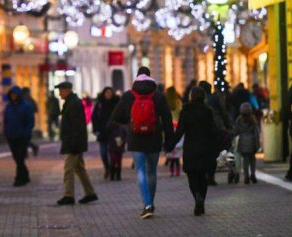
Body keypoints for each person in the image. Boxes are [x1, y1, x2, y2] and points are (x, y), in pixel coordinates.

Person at [109, 66, 174, 219]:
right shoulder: (158, 95)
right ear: (150, 77)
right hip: (154, 137)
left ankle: (147, 204)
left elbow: (115, 116)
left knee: (140, 171)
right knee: (152, 171)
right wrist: (169, 139)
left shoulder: (128, 95)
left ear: (137, 77)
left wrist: (130, 121)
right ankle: (150, 202)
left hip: (136, 138)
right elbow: (167, 119)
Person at [173, 86, 215, 217]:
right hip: (205, 147)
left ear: (191, 96)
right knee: (203, 176)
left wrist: (170, 143)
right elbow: (212, 129)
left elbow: (180, 131)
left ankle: (196, 195)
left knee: (192, 176)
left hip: (191, 148)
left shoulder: (185, 111)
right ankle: (201, 198)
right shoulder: (208, 111)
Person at [55, 81, 98, 206]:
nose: (59, 93)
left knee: (68, 169)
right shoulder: (71, 102)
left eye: (61, 90)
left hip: (74, 143)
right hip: (74, 142)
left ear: (67, 90)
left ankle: (69, 195)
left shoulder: (73, 103)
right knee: (79, 168)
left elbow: (77, 127)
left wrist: (74, 144)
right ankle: (90, 193)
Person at [198, 81, 231, 186]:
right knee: (213, 154)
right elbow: (223, 113)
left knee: (202, 154)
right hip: (215, 130)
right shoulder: (215, 99)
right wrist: (228, 126)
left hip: (200, 130)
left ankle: (203, 176)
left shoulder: (197, 100)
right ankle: (211, 177)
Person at [3, 86, 35, 187]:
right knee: (16, 157)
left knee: (20, 157)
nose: (13, 96)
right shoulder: (9, 106)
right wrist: (6, 132)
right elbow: (6, 120)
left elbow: (30, 121)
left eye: (15, 94)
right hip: (11, 135)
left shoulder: (26, 106)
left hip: (22, 136)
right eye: (11, 95)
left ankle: (19, 178)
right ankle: (25, 175)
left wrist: (26, 132)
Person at [91, 86, 120, 179]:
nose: (108, 94)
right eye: (107, 93)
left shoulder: (116, 103)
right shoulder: (99, 104)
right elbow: (94, 117)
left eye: (110, 93)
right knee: (103, 153)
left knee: (115, 153)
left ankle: (114, 169)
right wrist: (95, 130)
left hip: (115, 133)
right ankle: (107, 167)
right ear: (104, 94)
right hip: (102, 132)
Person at [233, 102, 260, 184]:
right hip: (252, 142)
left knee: (245, 160)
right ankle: (253, 174)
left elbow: (236, 132)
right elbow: (256, 133)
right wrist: (257, 144)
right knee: (252, 159)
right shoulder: (253, 121)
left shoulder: (238, 120)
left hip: (243, 143)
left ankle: (246, 176)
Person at [21, 87, 39, 157]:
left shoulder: (25, 100)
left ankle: (31, 149)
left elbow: (35, 109)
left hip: (27, 122)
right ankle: (26, 152)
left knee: (25, 138)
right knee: (25, 138)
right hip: (29, 121)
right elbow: (36, 110)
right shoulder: (31, 99)